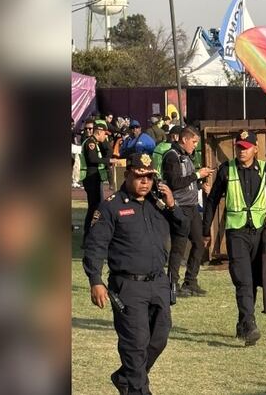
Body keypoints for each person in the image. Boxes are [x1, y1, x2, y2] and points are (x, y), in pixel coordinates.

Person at [82, 153, 186, 395]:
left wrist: (172, 204)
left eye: (149, 177)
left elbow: (183, 230)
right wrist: (95, 280)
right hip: (128, 286)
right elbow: (95, 246)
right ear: (127, 174)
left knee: (158, 338)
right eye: (139, 177)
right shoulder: (112, 206)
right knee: (135, 344)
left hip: (158, 283)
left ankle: (125, 376)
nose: (145, 182)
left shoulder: (157, 203)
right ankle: (138, 389)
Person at [203, 130, 266, 346]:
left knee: (255, 280)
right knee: (243, 280)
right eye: (239, 146)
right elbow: (212, 201)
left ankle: (242, 323)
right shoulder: (226, 170)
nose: (241, 150)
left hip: (259, 232)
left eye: (246, 147)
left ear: (255, 149)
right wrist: (205, 231)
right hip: (236, 233)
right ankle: (249, 323)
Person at [162, 126, 216, 297]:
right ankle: (172, 284)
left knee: (199, 243)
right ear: (184, 140)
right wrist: (198, 176)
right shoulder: (172, 156)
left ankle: (190, 281)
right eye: (193, 142)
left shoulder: (187, 156)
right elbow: (175, 182)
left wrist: (200, 185)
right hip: (180, 207)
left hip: (192, 207)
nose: (194, 146)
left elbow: (187, 182)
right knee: (178, 246)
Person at [81, 122, 116, 235]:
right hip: (91, 178)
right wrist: (109, 161)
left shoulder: (95, 142)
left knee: (96, 206)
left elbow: (108, 150)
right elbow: (92, 159)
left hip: (94, 177)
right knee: (93, 207)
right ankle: (88, 233)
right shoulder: (91, 143)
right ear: (99, 132)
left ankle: (92, 232)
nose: (105, 137)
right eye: (104, 135)